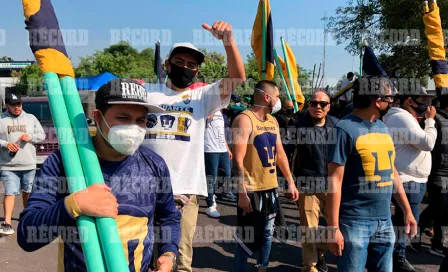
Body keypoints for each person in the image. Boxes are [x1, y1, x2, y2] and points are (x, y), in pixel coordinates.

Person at [17, 79, 181, 272]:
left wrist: (168, 255)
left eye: (141, 120)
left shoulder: (154, 165)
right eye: (123, 118)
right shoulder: (64, 163)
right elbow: (27, 236)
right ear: (98, 117)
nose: (134, 128)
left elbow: (169, 218)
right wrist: (72, 205)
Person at [144, 20, 245, 272]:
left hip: (185, 193)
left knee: (180, 259)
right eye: (179, 62)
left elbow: (237, 77)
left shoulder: (202, 97)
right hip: (144, 191)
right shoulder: (147, 93)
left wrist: (228, 42)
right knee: (141, 255)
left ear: (197, 72)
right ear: (167, 65)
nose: (185, 68)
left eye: (191, 65)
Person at [326, 76, 417, 272]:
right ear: (377, 100)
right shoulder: (343, 130)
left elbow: (392, 173)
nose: (391, 102)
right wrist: (333, 228)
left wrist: (407, 211)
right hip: (354, 222)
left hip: (384, 221)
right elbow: (334, 182)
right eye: (389, 98)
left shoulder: (382, 128)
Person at [232, 80, 299, 272]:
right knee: (246, 238)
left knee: (268, 233)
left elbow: (280, 154)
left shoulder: (273, 120)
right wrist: (242, 193)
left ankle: (263, 266)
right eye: (277, 96)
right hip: (251, 189)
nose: (279, 101)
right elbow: (237, 160)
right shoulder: (244, 119)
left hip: (270, 188)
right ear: (267, 97)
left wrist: (290, 181)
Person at [383, 89, 437, 272]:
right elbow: (427, 143)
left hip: (411, 180)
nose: (426, 105)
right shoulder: (401, 117)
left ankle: (392, 259)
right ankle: (398, 261)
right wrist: (430, 121)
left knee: (400, 223)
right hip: (407, 181)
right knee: (405, 224)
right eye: (422, 99)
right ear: (408, 101)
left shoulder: (403, 117)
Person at [293, 91, 338, 272]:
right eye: (314, 103)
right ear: (309, 105)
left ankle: (319, 251)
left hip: (333, 187)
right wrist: (288, 181)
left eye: (322, 104)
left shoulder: (338, 126)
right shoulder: (298, 126)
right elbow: (284, 154)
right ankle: (310, 267)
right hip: (307, 186)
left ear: (329, 106)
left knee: (342, 228)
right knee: (309, 231)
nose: (318, 107)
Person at [0, 91, 45, 235]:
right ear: (6, 105)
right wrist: (5, 144)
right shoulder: (1, 119)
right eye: (13, 105)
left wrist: (29, 136)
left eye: (18, 104)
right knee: (10, 192)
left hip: (28, 164)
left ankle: (27, 217)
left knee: (27, 193)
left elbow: (42, 135)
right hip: (8, 165)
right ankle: (7, 223)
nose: (16, 107)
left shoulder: (31, 118)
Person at [419, 93, 448, 259]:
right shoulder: (434, 119)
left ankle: (415, 229)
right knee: (441, 209)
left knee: (438, 208)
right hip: (437, 171)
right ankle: (437, 244)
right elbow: (426, 141)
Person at [204, 110, 234, 218]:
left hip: (223, 150)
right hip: (210, 149)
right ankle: (210, 205)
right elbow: (201, 120)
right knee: (211, 177)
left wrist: (227, 149)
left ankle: (213, 195)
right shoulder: (207, 109)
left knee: (227, 174)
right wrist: (211, 112)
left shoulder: (221, 114)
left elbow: (221, 133)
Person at [274, 99, 296, 168]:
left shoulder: (290, 116)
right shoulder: (279, 117)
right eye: (289, 107)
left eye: (292, 107)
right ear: (283, 108)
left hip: (290, 144)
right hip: (283, 145)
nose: (291, 109)